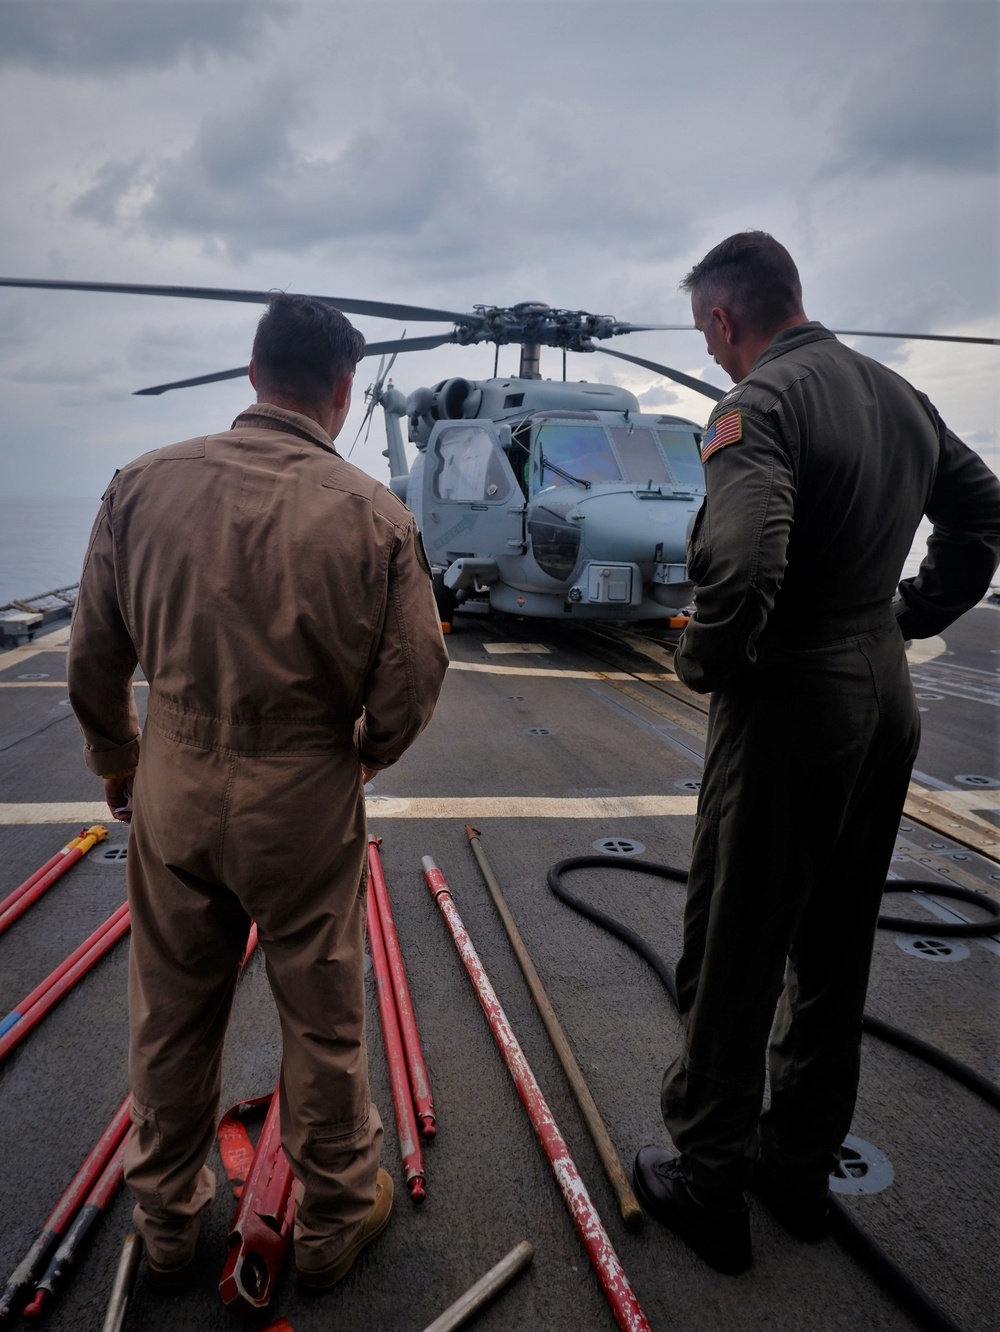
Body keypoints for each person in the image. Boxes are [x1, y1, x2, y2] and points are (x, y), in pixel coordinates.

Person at [632, 232, 1000, 1274]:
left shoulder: (762, 406)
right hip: (884, 698)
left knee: (735, 947)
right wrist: (913, 610)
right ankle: (795, 1168)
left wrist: (704, 663)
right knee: (834, 947)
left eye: (707, 333)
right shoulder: (896, 396)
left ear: (720, 318)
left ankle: (709, 1180)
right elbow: (984, 514)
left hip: (791, 702)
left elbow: (743, 562)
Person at [67, 293, 449, 1292]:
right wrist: (362, 755)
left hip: (176, 783)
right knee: (322, 1018)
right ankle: (326, 1226)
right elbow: (414, 677)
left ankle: (165, 1222)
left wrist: (121, 759)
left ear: (249, 374)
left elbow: (93, 658)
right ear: (341, 389)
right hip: (303, 792)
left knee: (171, 1015)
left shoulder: (140, 485)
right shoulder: (376, 515)